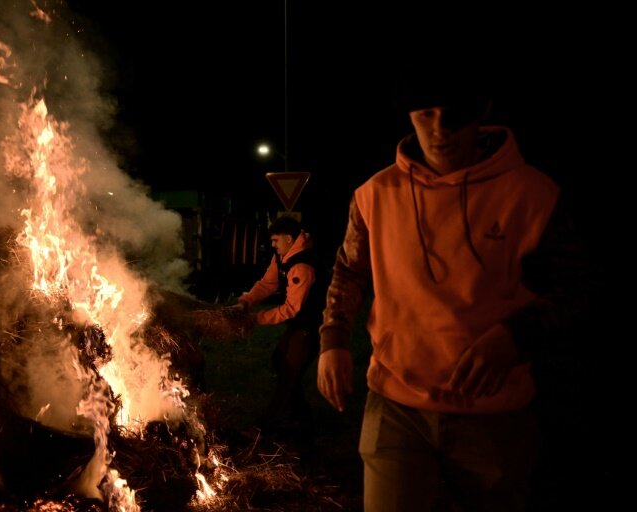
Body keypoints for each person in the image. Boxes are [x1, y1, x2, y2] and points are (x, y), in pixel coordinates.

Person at [316, 65, 588, 511]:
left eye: (455, 114)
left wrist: (516, 336)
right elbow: (349, 270)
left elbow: (576, 289)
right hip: (396, 405)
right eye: (426, 114)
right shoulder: (374, 194)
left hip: (495, 415)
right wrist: (333, 341)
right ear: (408, 114)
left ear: (481, 111)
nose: (441, 130)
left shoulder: (533, 195)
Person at [234, 215, 326, 439]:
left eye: (275, 240)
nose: (272, 244)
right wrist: (247, 301)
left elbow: (290, 309)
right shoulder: (283, 256)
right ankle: (303, 423)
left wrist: (256, 319)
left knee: (288, 375)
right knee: (279, 361)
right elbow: (268, 283)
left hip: (311, 327)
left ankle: (262, 429)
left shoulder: (302, 265)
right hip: (298, 326)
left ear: (288, 238)